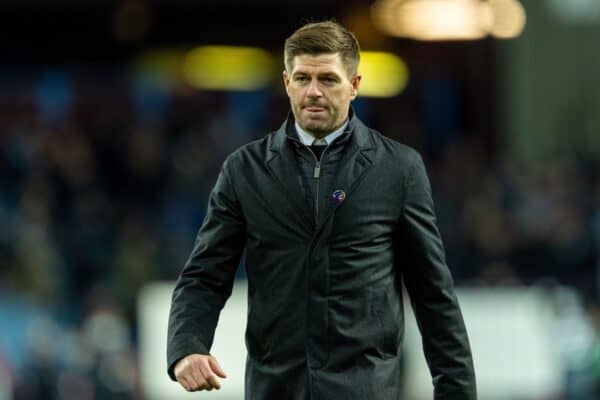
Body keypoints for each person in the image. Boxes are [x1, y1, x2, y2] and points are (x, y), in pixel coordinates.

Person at [167, 20, 476, 399]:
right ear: (286, 83)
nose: (313, 91)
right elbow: (204, 276)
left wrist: (456, 392)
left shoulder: (398, 169)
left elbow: (433, 295)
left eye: (328, 79)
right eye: (302, 79)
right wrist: (187, 346)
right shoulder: (243, 170)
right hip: (275, 389)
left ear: (355, 86)